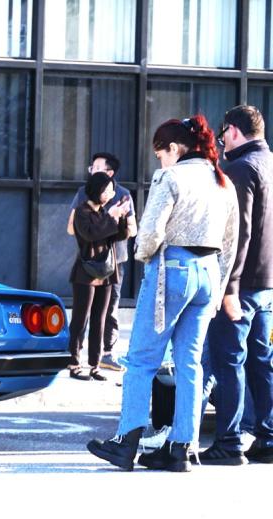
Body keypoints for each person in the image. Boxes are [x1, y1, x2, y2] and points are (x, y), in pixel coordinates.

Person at [87, 115, 239, 472]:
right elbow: (231, 242)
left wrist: (143, 252)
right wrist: (219, 288)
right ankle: (180, 448)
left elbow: (150, 232)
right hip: (209, 272)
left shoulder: (170, 176)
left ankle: (126, 442)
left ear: (174, 149)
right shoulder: (223, 182)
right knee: (190, 362)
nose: (160, 161)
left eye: (161, 153)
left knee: (141, 358)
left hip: (171, 268)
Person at [194, 104, 273, 465]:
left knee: (230, 362)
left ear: (236, 132)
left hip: (241, 286)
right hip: (267, 282)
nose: (221, 139)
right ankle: (267, 437)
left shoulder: (240, 168)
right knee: (260, 361)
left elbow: (237, 234)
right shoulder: (269, 163)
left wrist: (229, 290)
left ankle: (228, 442)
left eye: (224, 132)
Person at [67, 153, 138, 371]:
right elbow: (79, 230)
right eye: (92, 167)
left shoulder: (123, 195)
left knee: (107, 313)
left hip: (111, 265)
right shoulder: (83, 203)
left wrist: (121, 217)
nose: (91, 170)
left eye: (97, 167)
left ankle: (100, 358)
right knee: (82, 315)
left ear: (109, 173)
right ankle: (74, 359)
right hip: (88, 266)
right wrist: (110, 217)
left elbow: (127, 232)